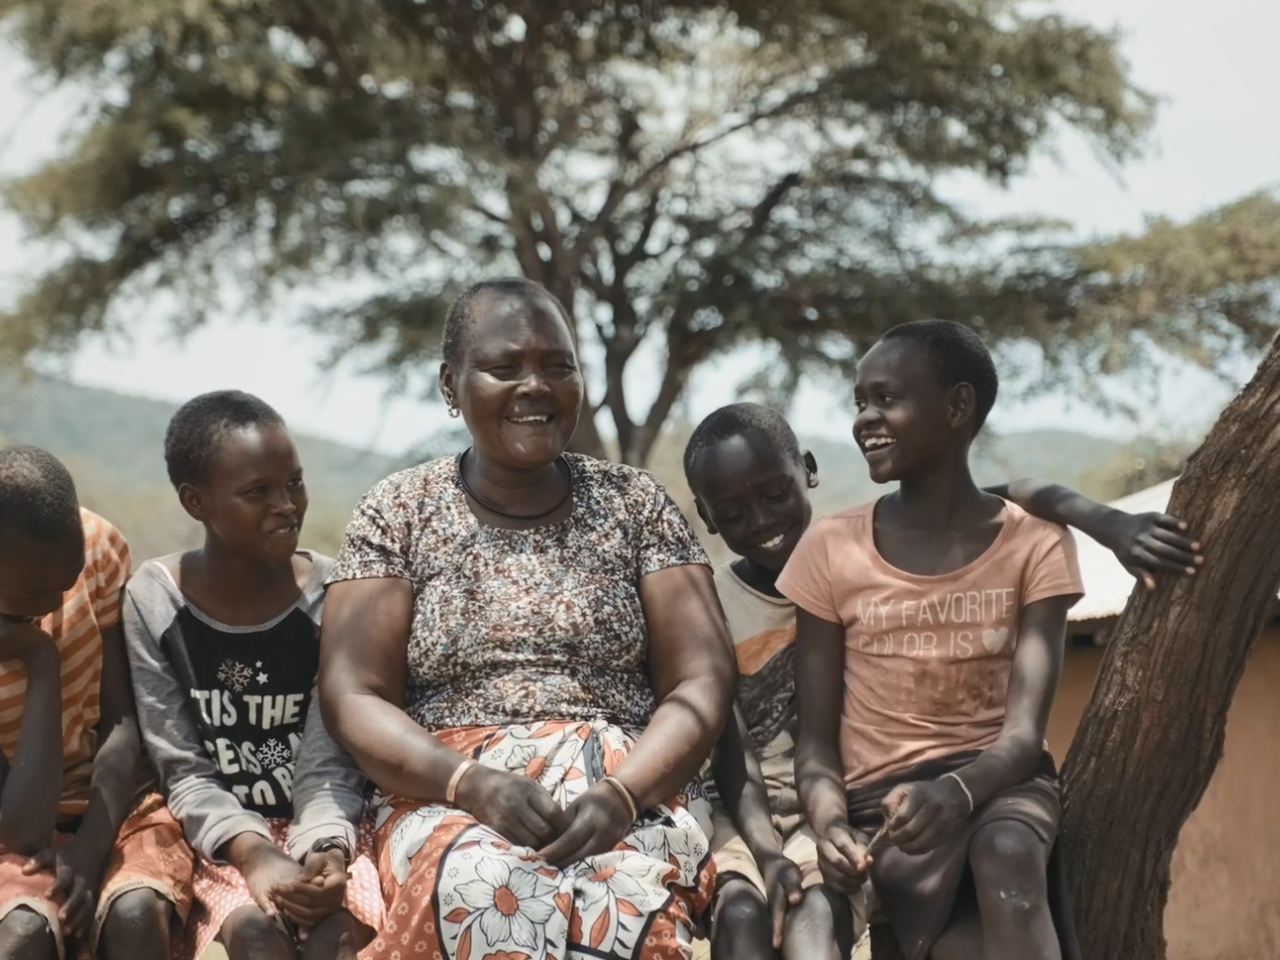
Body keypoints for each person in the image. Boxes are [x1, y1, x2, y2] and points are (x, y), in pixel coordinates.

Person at [682, 403, 1201, 960]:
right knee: (742, 922)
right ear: (708, 518)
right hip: (754, 812)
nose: (760, 521)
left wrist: (1104, 522)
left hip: (842, 809)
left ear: (807, 469)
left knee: (816, 921)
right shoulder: (712, 606)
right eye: (733, 512)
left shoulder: (866, 548)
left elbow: (1003, 495)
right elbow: (729, 749)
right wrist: (767, 851)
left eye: (775, 494)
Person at [319, 277, 737, 960]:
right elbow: (352, 694)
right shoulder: (398, 510)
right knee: (479, 885)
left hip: (627, 784)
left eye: (557, 365)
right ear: (451, 386)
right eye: (504, 367)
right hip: (444, 792)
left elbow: (702, 679)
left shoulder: (635, 506)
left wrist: (622, 796)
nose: (534, 386)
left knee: (621, 899)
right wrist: (470, 784)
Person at [122, 392, 384, 960]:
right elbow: (182, 767)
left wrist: (327, 853)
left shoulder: (332, 597)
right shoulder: (156, 598)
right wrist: (253, 852)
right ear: (196, 502)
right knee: (253, 935)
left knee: (337, 938)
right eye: (257, 492)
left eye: (294, 482)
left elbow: (327, 763)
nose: (287, 505)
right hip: (220, 839)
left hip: (329, 826)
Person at [0, 445, 194, 960]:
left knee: (134, 916)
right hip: (16, 820)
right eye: (26, 601)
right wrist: (39, 660)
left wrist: (89, 849)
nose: (51, 607)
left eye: (63, 587)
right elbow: (21, 830)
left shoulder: (100, 549)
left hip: (116, 803)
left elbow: (121, 717)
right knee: (22, 935)